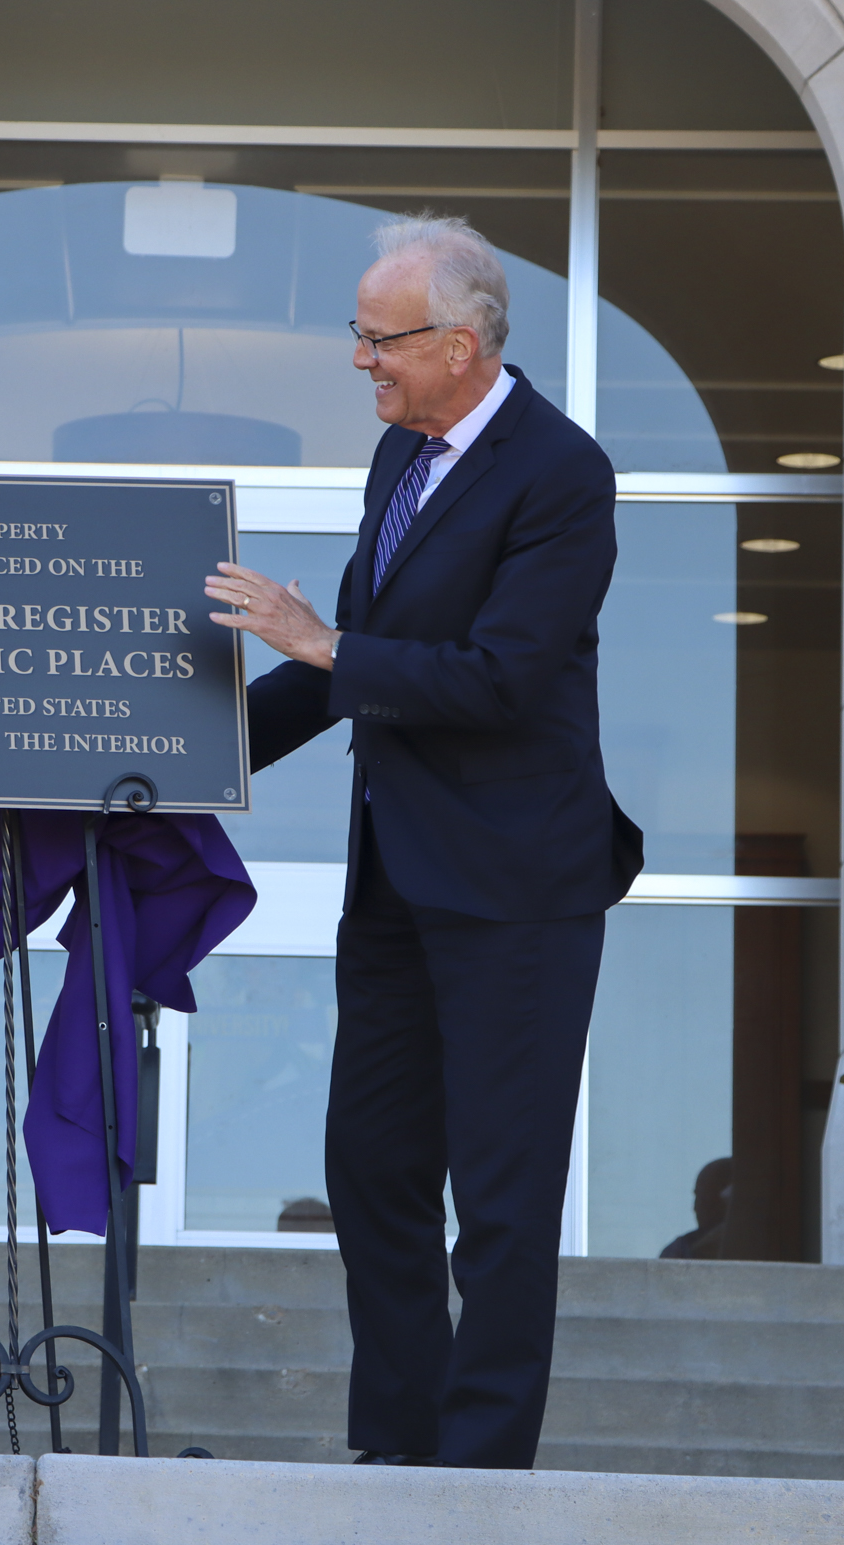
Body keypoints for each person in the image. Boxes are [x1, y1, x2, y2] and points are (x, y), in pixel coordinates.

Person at [204, 215, 642, 1470]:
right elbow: (347, 670)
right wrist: (184, 765)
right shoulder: (402, 460)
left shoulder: (560, 472)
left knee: (499, 1200)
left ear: (458, 344)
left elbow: (497, 678)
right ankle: (395, 1448)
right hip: (395, 880)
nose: (360, 361)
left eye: (377, 339)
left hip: (518, 887)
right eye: (357, 334)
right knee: (372, 1170)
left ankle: (480, 1465)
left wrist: (323, 642)